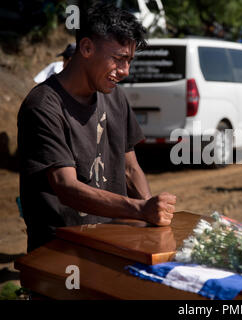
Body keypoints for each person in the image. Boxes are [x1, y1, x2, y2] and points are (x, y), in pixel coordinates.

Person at [17, 3, 176, 252]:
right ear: (87, 48)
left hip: (111, 242)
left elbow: (130, 167)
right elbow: (66, 187)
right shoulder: (43, 106)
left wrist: (152, 212)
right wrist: (139, 209)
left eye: (129, 61)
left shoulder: (115, 97)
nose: (125, 71)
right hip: (60, 252)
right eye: (118, 59)